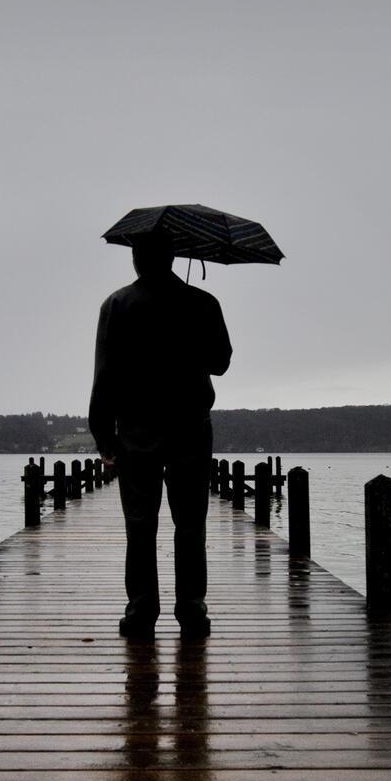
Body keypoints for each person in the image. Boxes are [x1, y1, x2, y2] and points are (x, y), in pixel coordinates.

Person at [88, 231, 233, 640]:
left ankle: (141, 613)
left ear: (136, 260)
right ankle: (192, 611)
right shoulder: (203, 303)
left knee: (140, 523)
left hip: (136, 430)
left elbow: (105, 374)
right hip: (190, 427)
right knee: (191, 524)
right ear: (173, 258)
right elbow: (220, 362)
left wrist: (102, 435)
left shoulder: (116, 305)